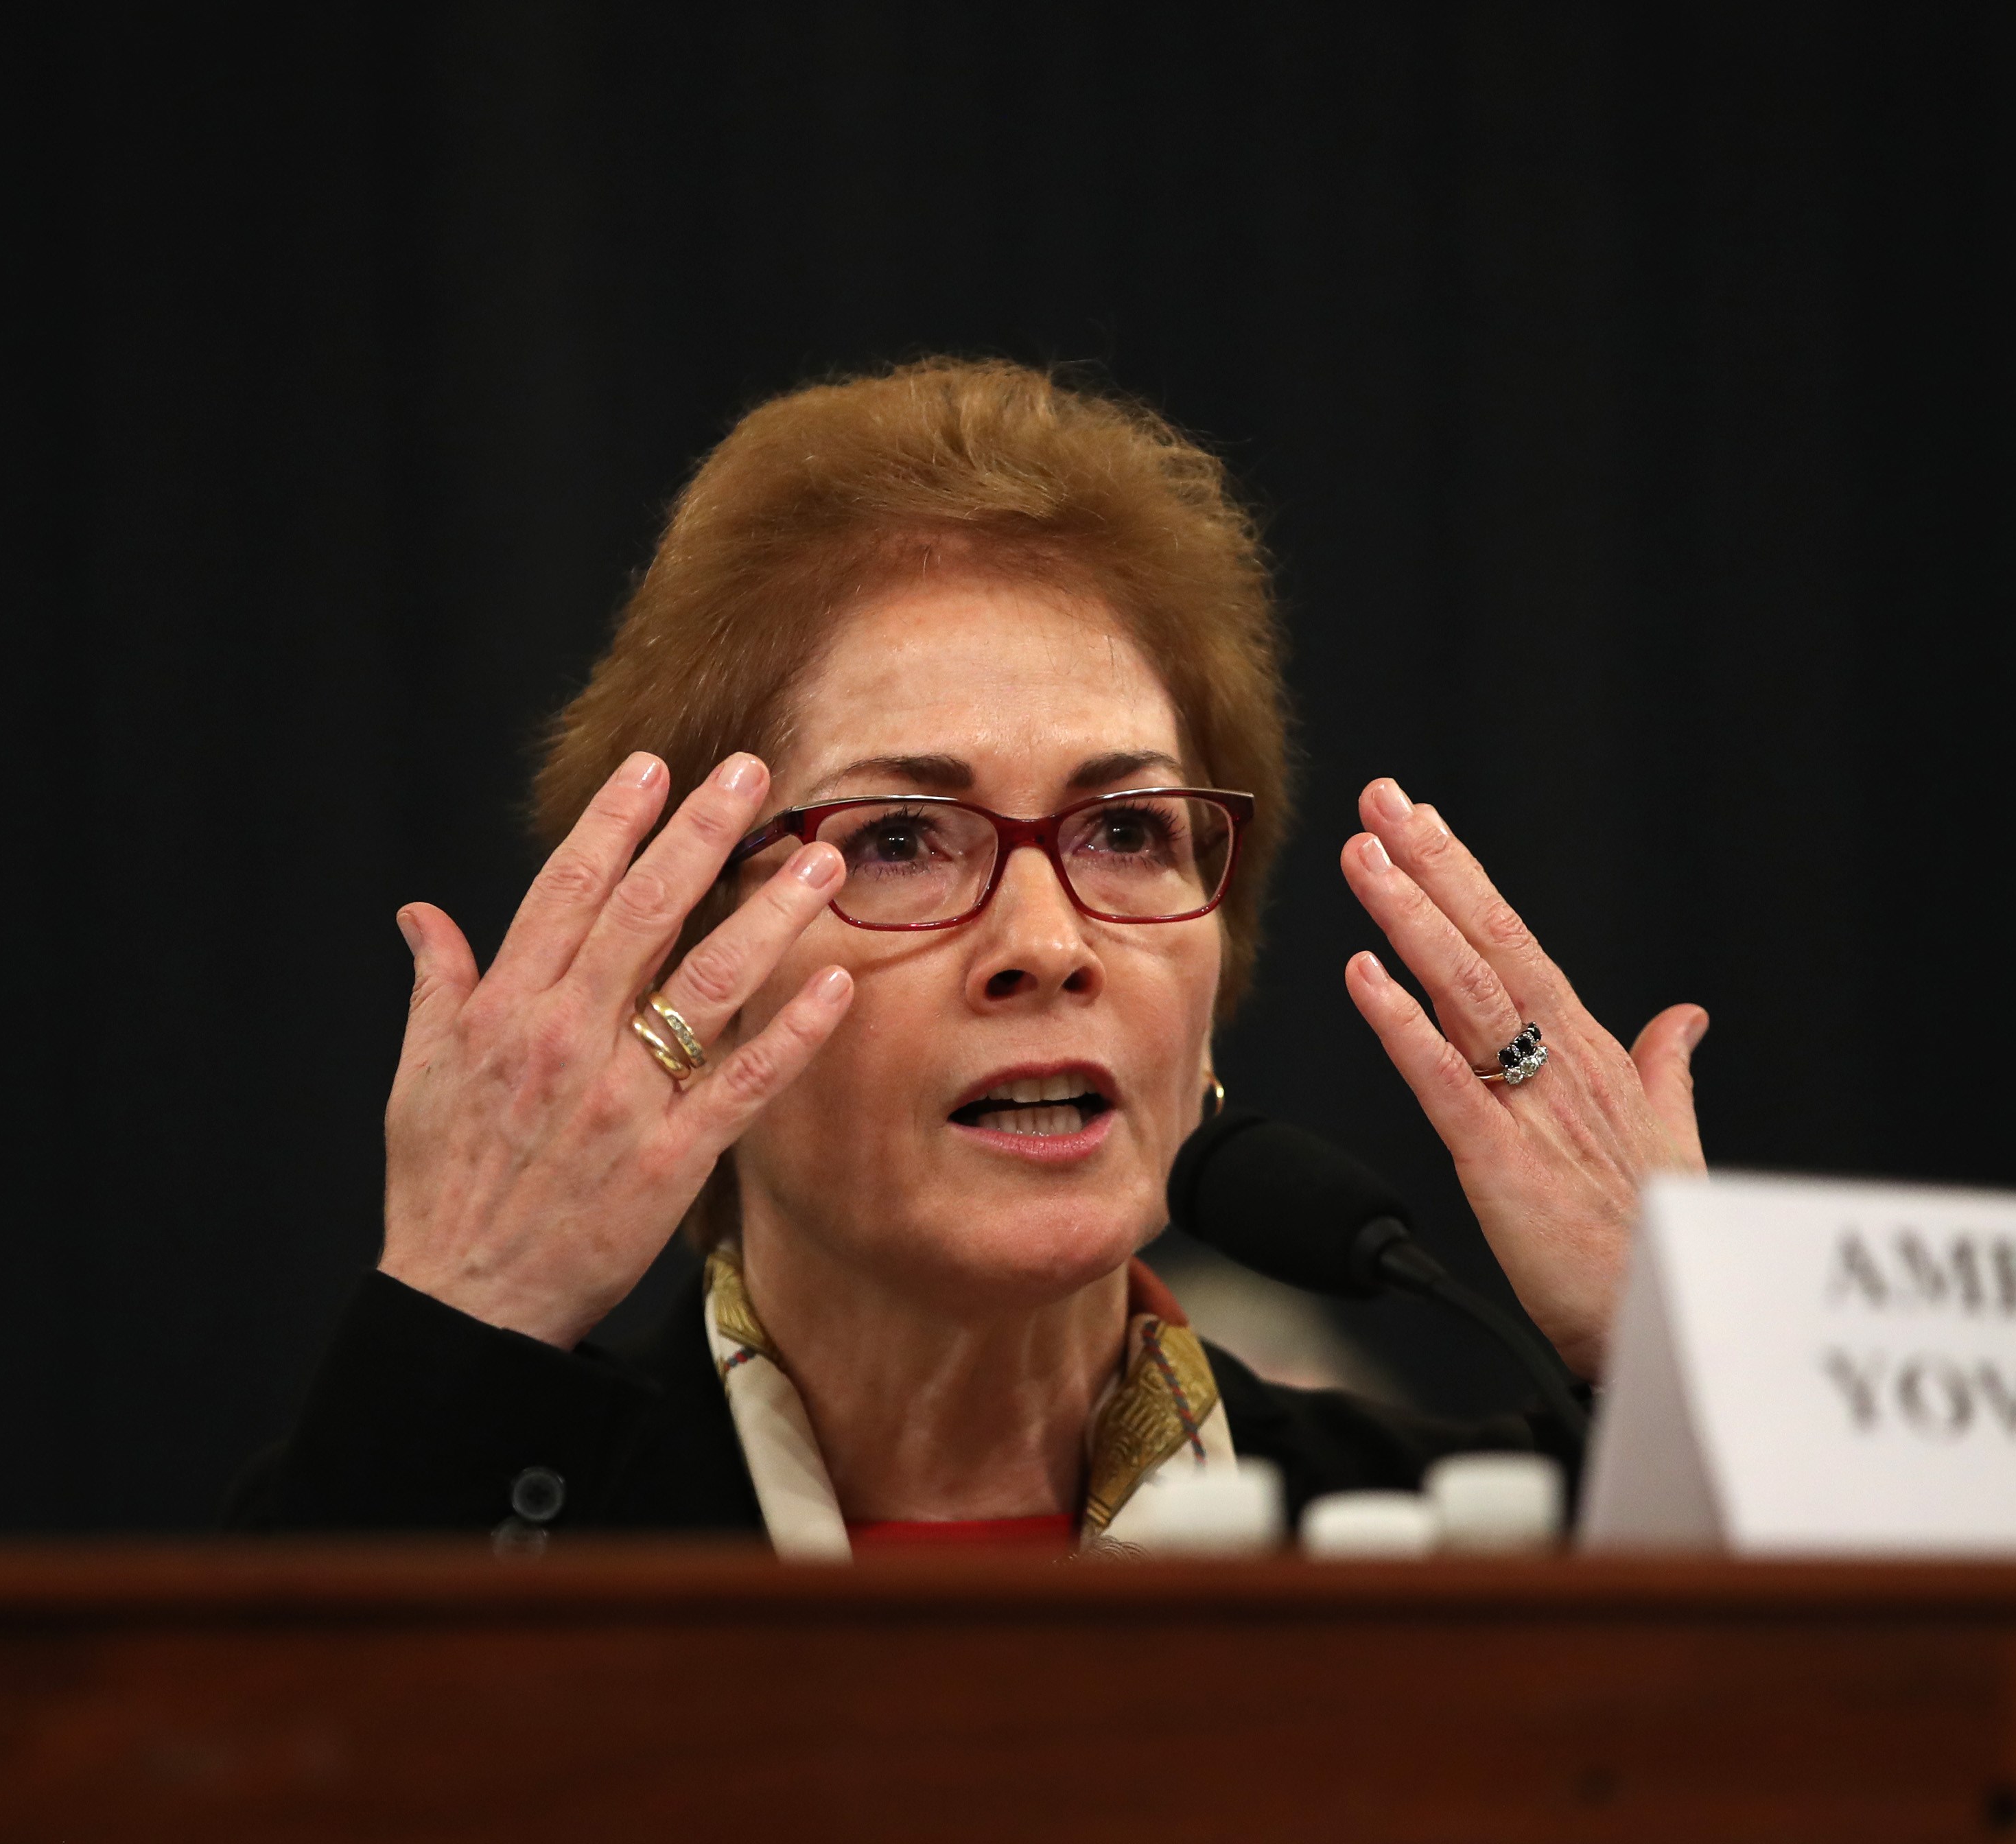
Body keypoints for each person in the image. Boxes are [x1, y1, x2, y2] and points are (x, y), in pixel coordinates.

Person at [228, 358, 1709, 1555]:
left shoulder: (1438, 1565)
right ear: (690, 963)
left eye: (1126, 832)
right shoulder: (477, 1538)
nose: (1047, 948)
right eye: (895, 842)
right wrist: (459, 1338)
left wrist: (1690, 1363)